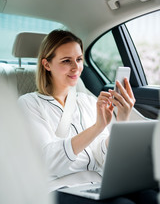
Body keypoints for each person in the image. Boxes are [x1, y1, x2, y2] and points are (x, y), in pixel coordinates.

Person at [18, 29, 158, 204]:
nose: (76, 67)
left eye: (79, 59)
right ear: (47, 65)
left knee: (152, 196)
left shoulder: (87, 101)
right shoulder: (29, 104)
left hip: (99, 184)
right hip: (59, 189)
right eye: (66, 61)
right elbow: (49, 162)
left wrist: (122, 120)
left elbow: (102, 157)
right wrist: (97, 127)